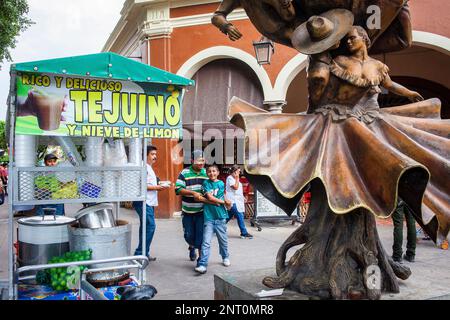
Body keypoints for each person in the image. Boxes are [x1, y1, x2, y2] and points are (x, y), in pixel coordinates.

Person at [133, 145, 169, 261]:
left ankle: (143, 252)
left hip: (149, 202)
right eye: (152, 154)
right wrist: (158, 188)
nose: (155, 157)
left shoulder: (148, 167)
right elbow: (142, 186)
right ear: (146, 155)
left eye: (155, 154)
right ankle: (140, 253)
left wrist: (160, 184)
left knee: (145, 227)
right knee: (150, 226)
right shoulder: (143, 167)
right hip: (144, 202)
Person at [194, 165, 232, 274]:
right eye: (209, 171)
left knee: (223, 240)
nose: (212, 173)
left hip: (220, 217)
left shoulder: (221, 183)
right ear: (206, 173)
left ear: (218, 172)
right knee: (206, 242)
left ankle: (225, 256)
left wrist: (226, 202)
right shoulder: (206, 183)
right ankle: (202, 264)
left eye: (214, 171)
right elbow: (210, 198)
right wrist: (224, 202)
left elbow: (222, 196)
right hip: (209, 218)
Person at [175, 150, 209, 261]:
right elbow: (178, 189)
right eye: (199, 160)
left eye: (203, 160)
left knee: (201, 235)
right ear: (192, 161)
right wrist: (193, 193)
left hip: (202, 211)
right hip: (187, 211)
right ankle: (191, 246)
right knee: (189, 235)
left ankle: (201, 258)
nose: (201, 163)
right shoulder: (184, 173)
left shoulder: (206, 173)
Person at [225, 165, 253, 239]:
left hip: (237, 201)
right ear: (234, 172)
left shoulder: (235, 179)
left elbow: (238, 191)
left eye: (239, 172)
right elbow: (235, 187)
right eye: (238, 172)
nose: (239, 173)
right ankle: (244, 232)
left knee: (227, 216)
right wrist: (237, 178)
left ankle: (216, 228)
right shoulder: (230, 178)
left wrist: (243, 197)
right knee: (240, 216)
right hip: (233, 201)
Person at [392, 199, 416, 263]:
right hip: (410, 196)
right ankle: (411, 255)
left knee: (398, 225)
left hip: (398, 196)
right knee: (412, 224)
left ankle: (397, 256)